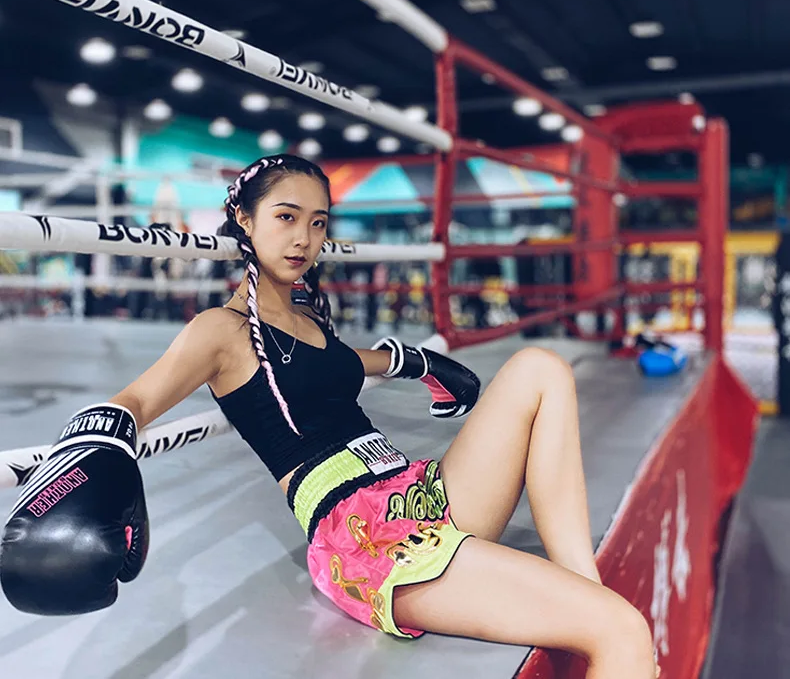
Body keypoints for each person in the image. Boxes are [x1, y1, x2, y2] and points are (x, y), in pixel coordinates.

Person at [0, 155, 656, 678]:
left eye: (318, 223)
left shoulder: (311, 317)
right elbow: (136, 400)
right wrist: (88, 453)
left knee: (541, 366)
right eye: (286, 217)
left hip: (418, 491)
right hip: (364, 536)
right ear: (244, 219)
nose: (304, 238)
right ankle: (596, 613)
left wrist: (417, 362)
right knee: (623, 630)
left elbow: (346, 364)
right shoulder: (222, 331)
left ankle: (583, 584)